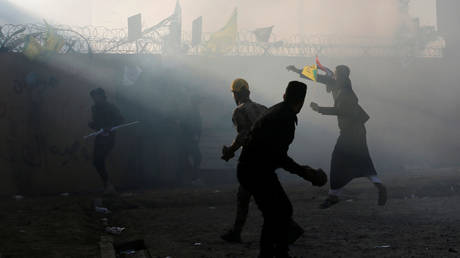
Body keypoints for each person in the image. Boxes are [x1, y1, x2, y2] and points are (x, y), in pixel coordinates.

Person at [237, 81, 327, 258]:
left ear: (284, 96)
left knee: (279, 211)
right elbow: (278, 157)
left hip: (251, 168)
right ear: (301, 102)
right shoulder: (285, 119)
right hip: (257, 171)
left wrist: (304, 172)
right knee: (278, 212)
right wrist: (305, 173)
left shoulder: (277, 111)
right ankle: (273, 253)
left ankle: (278, 251)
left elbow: (274, 155)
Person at [287, 64, 387, 209]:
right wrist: (297, 70)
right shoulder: (338, 86)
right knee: (363, 161)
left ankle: (333, 195)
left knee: (337, 160)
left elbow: (341, 111)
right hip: (355, 131)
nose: (332, 76)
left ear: (341, 76)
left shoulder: (347, 93)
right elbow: (317, 77)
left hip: (351, 132)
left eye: (335, 74)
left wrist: (319, 109)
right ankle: (378, 184)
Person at [220, 78, 268, 243]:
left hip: (251, 159)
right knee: (264, 196)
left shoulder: (239, 111)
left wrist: (229, 151)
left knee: (246, 196)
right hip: (267, 158)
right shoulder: (263, 108)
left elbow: (243, 136)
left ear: (236, 94)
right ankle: (289, 227)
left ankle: (236, 232)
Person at [88, 88, 124, 195]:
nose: (94, 99)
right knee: (97, 161)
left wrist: (110, 126)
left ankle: (108, 186)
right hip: (99, 137)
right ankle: (108, 185)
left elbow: (121, 120)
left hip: (109, 137)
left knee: (99, 160)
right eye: (93, 97)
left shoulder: (111, 107)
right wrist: (93, 125)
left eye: (96, 97)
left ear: (102, 96)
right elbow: (97, 123)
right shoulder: (94, 108)